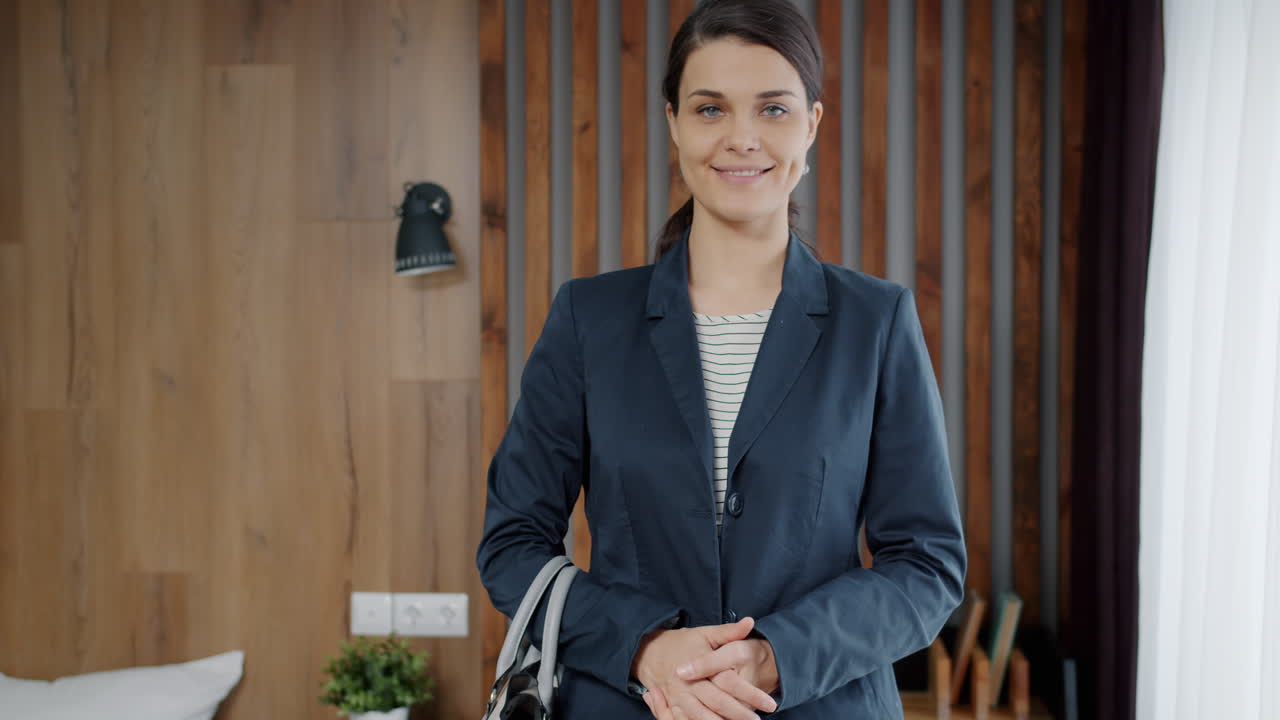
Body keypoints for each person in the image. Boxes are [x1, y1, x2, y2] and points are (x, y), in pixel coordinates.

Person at [476, 0, 966, 717]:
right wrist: (644, 646)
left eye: (772, 109)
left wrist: (776, 655)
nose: (742, 138)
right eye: (711, 109)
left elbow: (927, 567)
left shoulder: (876, 321)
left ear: (812, 125)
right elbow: (512, 545)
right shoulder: (591, 319)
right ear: (673, 121)